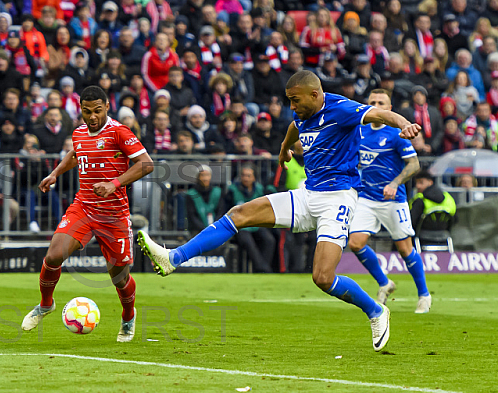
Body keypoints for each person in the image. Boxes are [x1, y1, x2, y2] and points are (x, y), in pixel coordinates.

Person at [138, 70, 423, 352]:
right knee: (240, 214)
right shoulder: (303, 112)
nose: (291, 107)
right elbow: (294, 126)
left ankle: (375, 310)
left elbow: (379, 114)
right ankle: (173, 258)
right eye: (289, 100)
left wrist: (405, 124)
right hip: (308, 194)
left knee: (323, 278)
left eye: (295, 100)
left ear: (315, 94)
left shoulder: (342, 108)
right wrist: (285, 147)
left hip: (338, 199)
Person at [21, 86, 154, 343]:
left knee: (119, 277)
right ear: (80, 110)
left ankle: (128, 316)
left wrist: (115, 184)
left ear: (106, 107)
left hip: (114, 214)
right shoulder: (79, 132)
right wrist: (55, 173)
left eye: (97, 110)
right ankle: (45, 304)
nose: (92, 117)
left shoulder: (119, 132)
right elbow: (76, 154)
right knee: (54, 254)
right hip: (83, 206)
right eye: (86, 111)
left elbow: (146, 163)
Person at [348, 90, 430, 314]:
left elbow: (414, 165)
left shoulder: (395, 133)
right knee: (355, 243)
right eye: (373, 102)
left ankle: (424, 295)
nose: (376, 105)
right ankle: (384, 283)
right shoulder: (360, 131)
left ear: (390, 107)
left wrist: (394, 183)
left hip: (393, 199)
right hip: (366, 197)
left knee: (405, 249)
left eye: (381, 102)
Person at [225, 164, 277, 272]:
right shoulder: (232, 190)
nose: (245, 178)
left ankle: (262, 269)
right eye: (243, 175)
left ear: (254, 178)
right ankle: (263, 268)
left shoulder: (260, 190)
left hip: (256, 223)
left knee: (269, 240)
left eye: (248, 176)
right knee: (248, 242)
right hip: (240, 226)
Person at [410, 169, 457, 238]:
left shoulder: (420, 200)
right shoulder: (449, 198)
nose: (417, 186)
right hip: (445, 236)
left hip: (422, 237)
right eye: (416, 183)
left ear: (430, 182)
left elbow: (411, 222)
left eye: (421, 182)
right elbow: (455, 219)